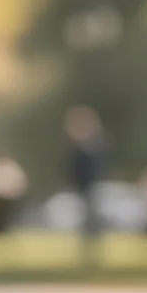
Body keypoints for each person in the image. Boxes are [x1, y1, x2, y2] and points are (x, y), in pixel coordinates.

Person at [64, 106, 105, 266]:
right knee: (85, 222)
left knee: (92, 221)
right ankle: (87, 254)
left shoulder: (94, 147)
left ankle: (93, 254)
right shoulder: (78, 148)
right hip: (83, 189)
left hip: (92, 188)